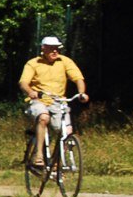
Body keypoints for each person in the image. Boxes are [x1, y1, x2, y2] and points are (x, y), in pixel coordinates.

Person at [18, 36, 88, 168]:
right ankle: (38, 155)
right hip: (38, 101)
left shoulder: (65, 61)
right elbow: (23, 83)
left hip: (58, 102)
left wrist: (81, 93)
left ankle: (57, 164)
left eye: (57, 48)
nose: (55, 51)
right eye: (51, 48)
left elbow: (78, 78)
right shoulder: (33, 63)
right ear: (43, 48)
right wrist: (30, 92)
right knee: (43, 117)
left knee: (66, 132)